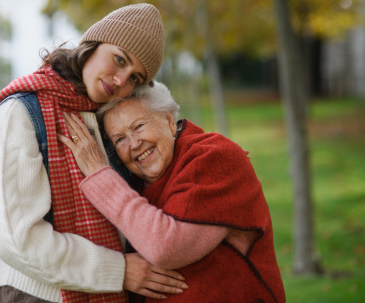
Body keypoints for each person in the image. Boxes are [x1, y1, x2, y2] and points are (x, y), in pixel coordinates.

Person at [0, 4, 189, 303]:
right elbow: (17, 240)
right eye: (120, 59)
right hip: (37, 294)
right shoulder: (19, 113)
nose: (122, 80)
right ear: (93, 44)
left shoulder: (103, 116)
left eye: (136, 78)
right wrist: (119, 270)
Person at [59, 82, 286, 303]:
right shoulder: (136, 184)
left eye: (138, 126)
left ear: (168, 121)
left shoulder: (213, 156)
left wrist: (99, 174)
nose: (134, 144)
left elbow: (164, 247)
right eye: (120, 139)